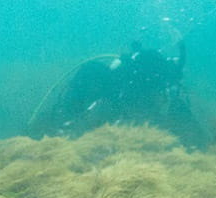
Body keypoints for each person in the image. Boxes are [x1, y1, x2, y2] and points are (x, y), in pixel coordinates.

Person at [29, 41, 203, 142]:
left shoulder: (141, 83)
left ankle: (54, 127)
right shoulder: (121, 86)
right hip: (112, 105)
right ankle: (54, 128)